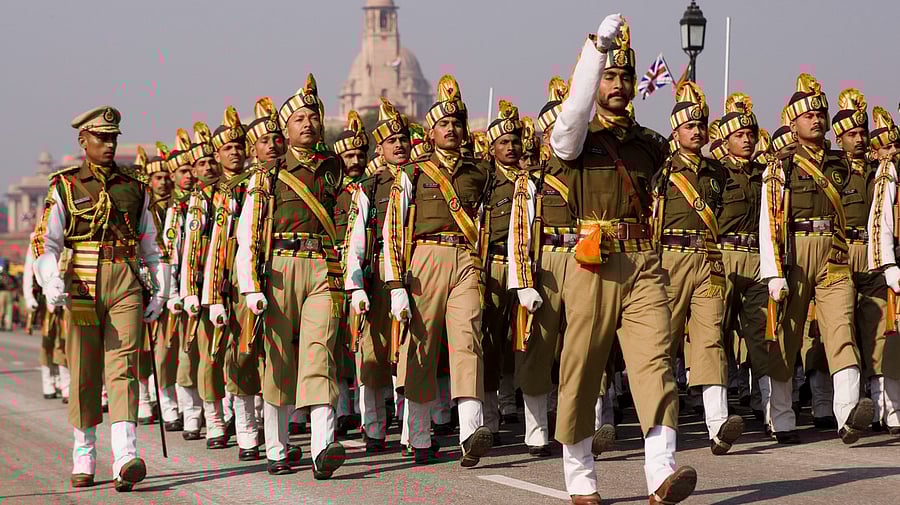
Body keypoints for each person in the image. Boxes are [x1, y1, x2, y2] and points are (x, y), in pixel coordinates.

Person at [549, 14, 696, 504]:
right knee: (583, 366)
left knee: (655, 362)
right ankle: (580, 474)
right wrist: (598, 48)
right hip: (592, 262)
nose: (618, 84)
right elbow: (570, 115)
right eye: (609, 75)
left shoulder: (650, 146)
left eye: (624, 76)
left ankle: (661, 473)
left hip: (643, 262)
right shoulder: (576, 138)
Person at [32, 106, 168, 491]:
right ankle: (85, 454)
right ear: (83, 141)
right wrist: (49, 277)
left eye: (113, 138)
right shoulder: (64, 186)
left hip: (125, 278)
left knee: (123, 366)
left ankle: (125, 456)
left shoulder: (134, 186)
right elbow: (47, 239)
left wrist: (160, 287)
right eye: (101, 138)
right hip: (82, 283)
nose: (108, 144)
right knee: (85, 370)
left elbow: (150, 243)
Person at [235, 74, 347, 479]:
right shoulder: (267, 176)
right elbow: (247, 232)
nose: (308, 124)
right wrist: (250, 286)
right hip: (279, 268)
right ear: (285, 129)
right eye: (299, 118)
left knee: (321, 353)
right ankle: (277, 448)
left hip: (322, 267)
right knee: (278, 360)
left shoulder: (333, 170)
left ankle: (322, 447)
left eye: (313, 116)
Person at [384, 74, 495, 467]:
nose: (452, 129)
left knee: (468, 340)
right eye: (444, 124)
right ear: (430, 132)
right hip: (423, 261)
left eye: (457, 123)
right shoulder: (412, 173)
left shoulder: (477, 172)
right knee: (421, 347)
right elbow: (394, 229)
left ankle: (470, 434)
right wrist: (396, 284)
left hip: (465, 258)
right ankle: (419, 437)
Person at [760, 73, 873, 444]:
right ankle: (781, 418)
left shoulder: (840, 163)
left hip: (834, 251)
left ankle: (848, 416)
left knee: (842, 331)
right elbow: (770, 219)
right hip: (796, 249)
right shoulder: (783, 165)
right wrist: (774, 272)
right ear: (792, 123)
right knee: (787, 337)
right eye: (809, 115)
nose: (818, 119)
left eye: (821, 114)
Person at [204, 102, 279, 461]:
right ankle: (247, 430)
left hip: (280, 279)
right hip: (241, 283)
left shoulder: (282, 178)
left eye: (276, 138)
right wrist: (214, 294)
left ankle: (274, 426)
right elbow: (220, 243)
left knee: (276, 356)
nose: (273, 146)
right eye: (264, 140)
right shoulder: (235, 189)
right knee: (244, 356)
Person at [345, 97, 412, 453]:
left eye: (404, 138)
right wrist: (356, 286)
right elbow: (356, 239)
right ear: (381, 148)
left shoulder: (424, 178)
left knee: (413, 353)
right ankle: (373, 428)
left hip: (417, 273)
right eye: (391, 141)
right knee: (372, 356)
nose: (399, 145)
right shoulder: (369, 187)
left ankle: (412, 428)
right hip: (380, 274)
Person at [862, 105, 900, 435]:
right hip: (894, 262)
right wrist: (888, 263)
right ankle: (889, 407)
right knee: (891, 339)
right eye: (887, 147)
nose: (893, 152)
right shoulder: (887, 173)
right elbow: (880, 221)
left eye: (896, 146)